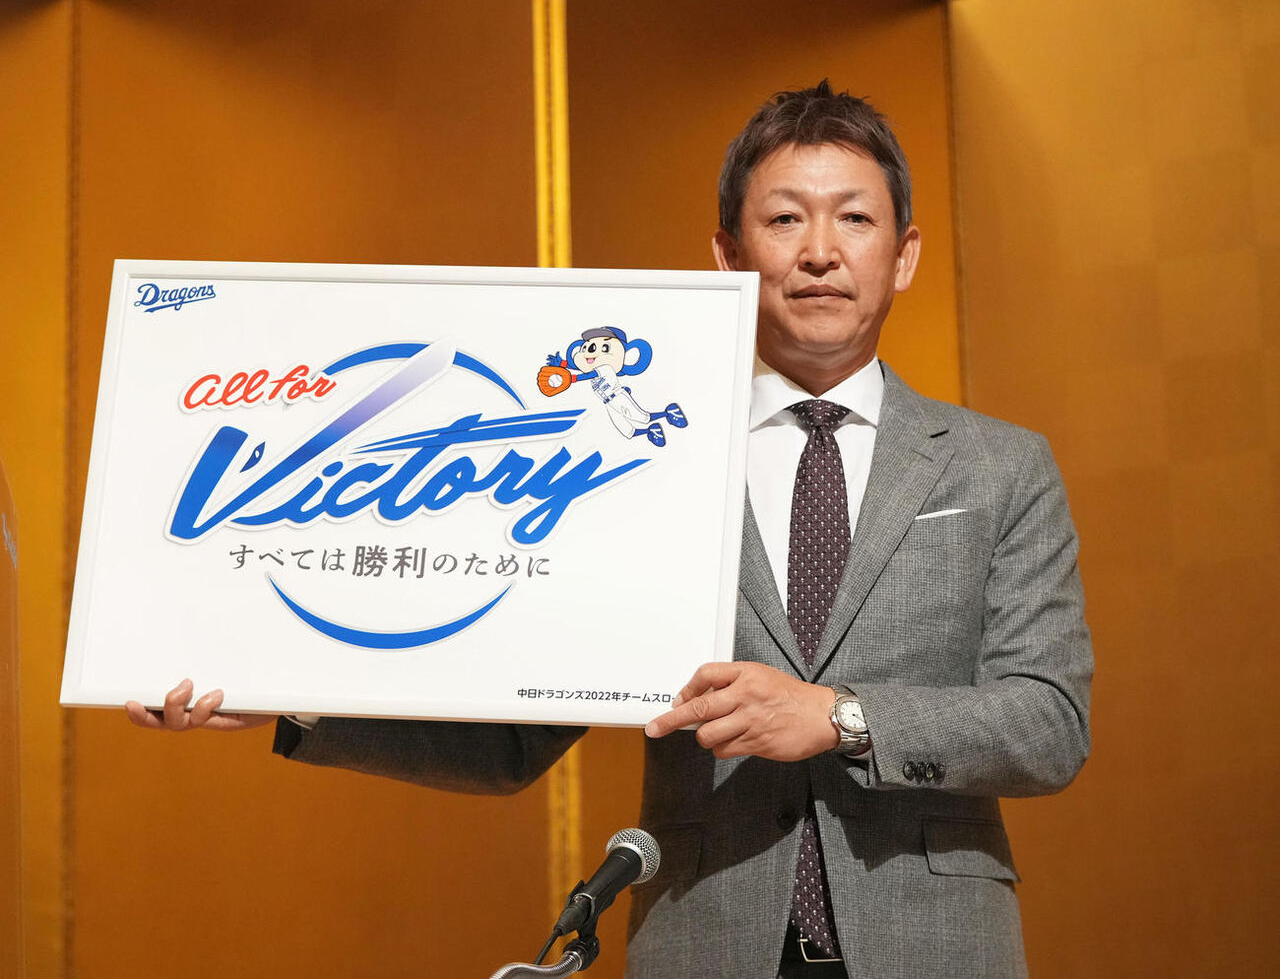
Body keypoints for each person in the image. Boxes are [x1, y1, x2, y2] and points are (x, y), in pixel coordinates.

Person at [129, 81, 1092, 979]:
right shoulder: (636, 462)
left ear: (904, 253)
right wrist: (295, 695)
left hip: (938, 945)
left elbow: (1049, 722)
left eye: (854, 218)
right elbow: (515, 738)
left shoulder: (1000, 466)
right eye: (784, 219)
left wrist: (840, 715)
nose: (819, 251)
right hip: (703, 941)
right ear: (728, 258)